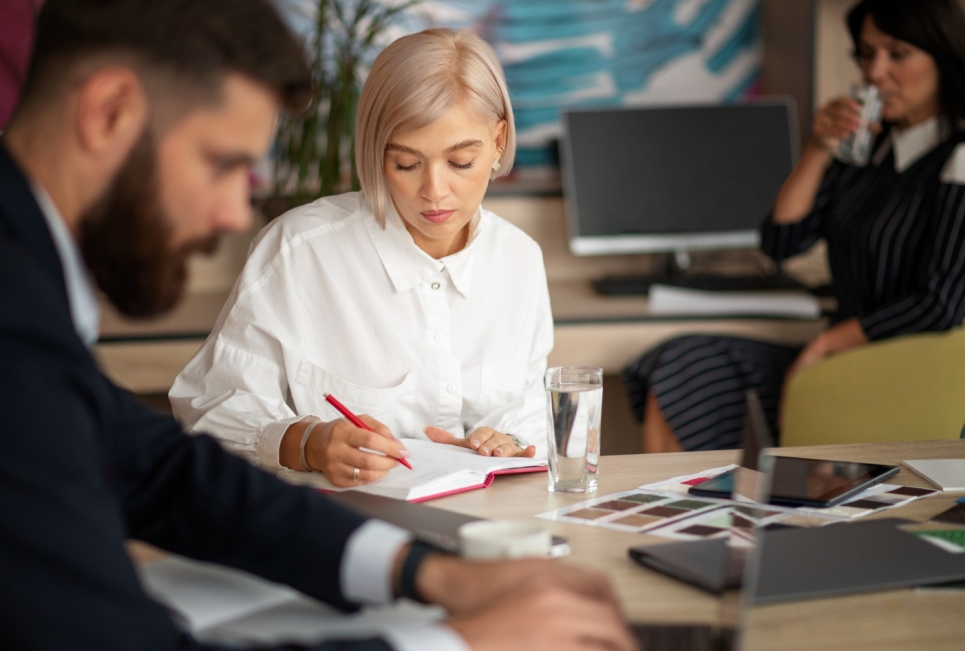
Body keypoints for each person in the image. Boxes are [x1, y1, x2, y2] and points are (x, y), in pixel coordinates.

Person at [0, 2, 638, 650]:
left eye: (460, 159)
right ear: (110, 111)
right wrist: (458, 640)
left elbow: (159, 468)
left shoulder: (30, 291)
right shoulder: (18, 323)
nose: (232, 213)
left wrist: (419, 571)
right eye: (223, 164)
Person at [169, 29, 552, 487]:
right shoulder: (300, 251)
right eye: (406, 164)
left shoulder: (519, 260)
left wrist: (506, 441)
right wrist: (308, 443)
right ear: (376, 152)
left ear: (497, 141)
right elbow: (207, 408)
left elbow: (531, 422)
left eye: (461, 162)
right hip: (334, 526)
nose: (434, 191)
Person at [624, 0, 965, 453]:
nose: (876, 72)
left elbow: (939, 304)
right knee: (681, 363)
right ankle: (677, 516)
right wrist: (819, 148)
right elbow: (782, 242)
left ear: (942, 56)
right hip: (841, 354)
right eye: (866, 54)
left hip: (902, 368)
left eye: (897, 54)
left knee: (695, 375)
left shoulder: (958, 158)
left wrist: (825, 346)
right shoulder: (872, 149)